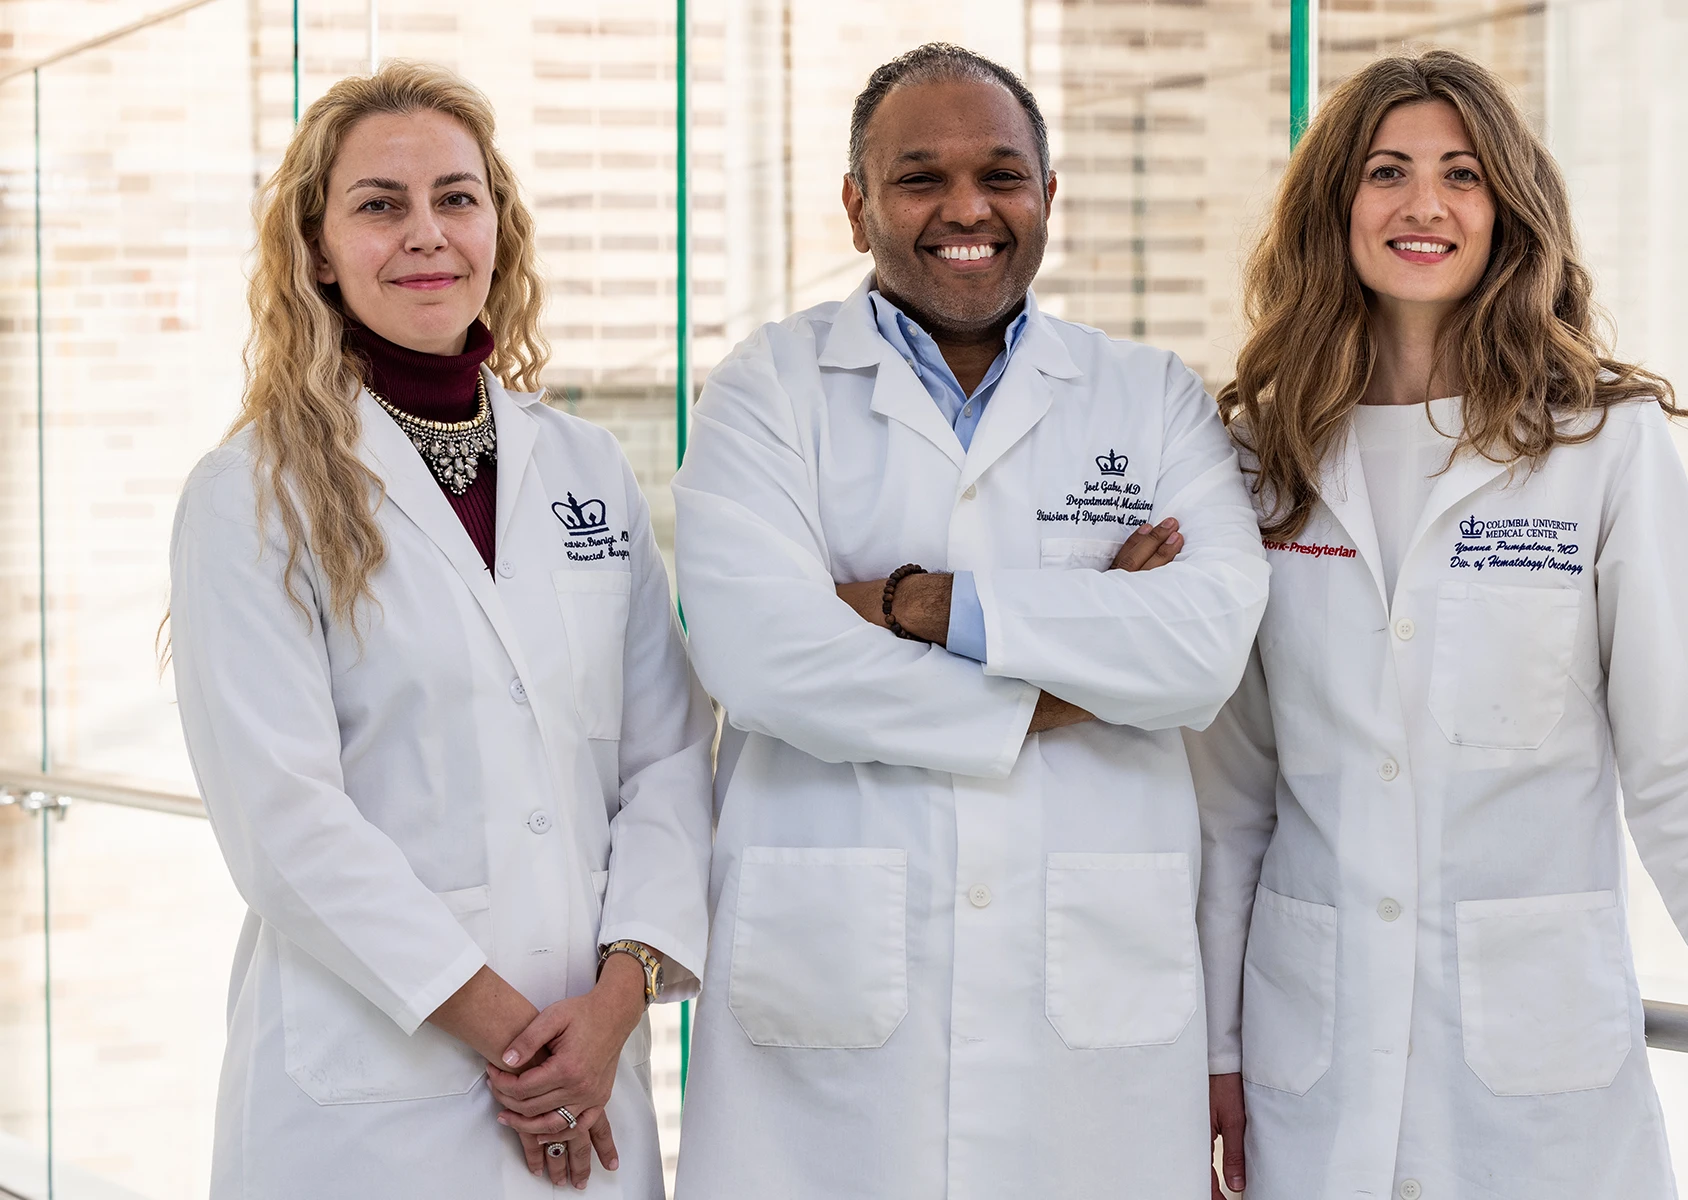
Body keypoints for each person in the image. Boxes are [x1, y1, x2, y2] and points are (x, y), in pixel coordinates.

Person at [1190, 49, 1688, 1200]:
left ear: (1506, 212)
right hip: (1306, 1054)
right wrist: (1219, 1051)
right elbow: (1230, 791)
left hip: (1531, 1064)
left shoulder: (1596, 447)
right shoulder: (1256, 459)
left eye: (1460, 175)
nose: (1422, 204)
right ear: (1334, 207)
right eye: (1385, 171)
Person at [669, 42, 1270, 1200]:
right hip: (832, 1007)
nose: (965, 209)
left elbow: (1201, 649)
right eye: (916, 177)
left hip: (1087, 1008)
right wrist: (1076, 668)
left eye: (1001, 174)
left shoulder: (1150, 398)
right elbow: (763, 660)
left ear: (1048, 198)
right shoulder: (769, 389)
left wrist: (907, 607)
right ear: (856, 207)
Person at [169, 61, 713, 1198]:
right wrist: (524, 1045)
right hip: (378, 1096)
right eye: (380, 204)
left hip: (590, 1064)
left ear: (498, 230)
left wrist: (614, 1009)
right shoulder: (251, 492)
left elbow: (666, 758)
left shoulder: (584, 467)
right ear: (317, 249)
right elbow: (286, 823)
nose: (426, 234)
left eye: (456, 199)